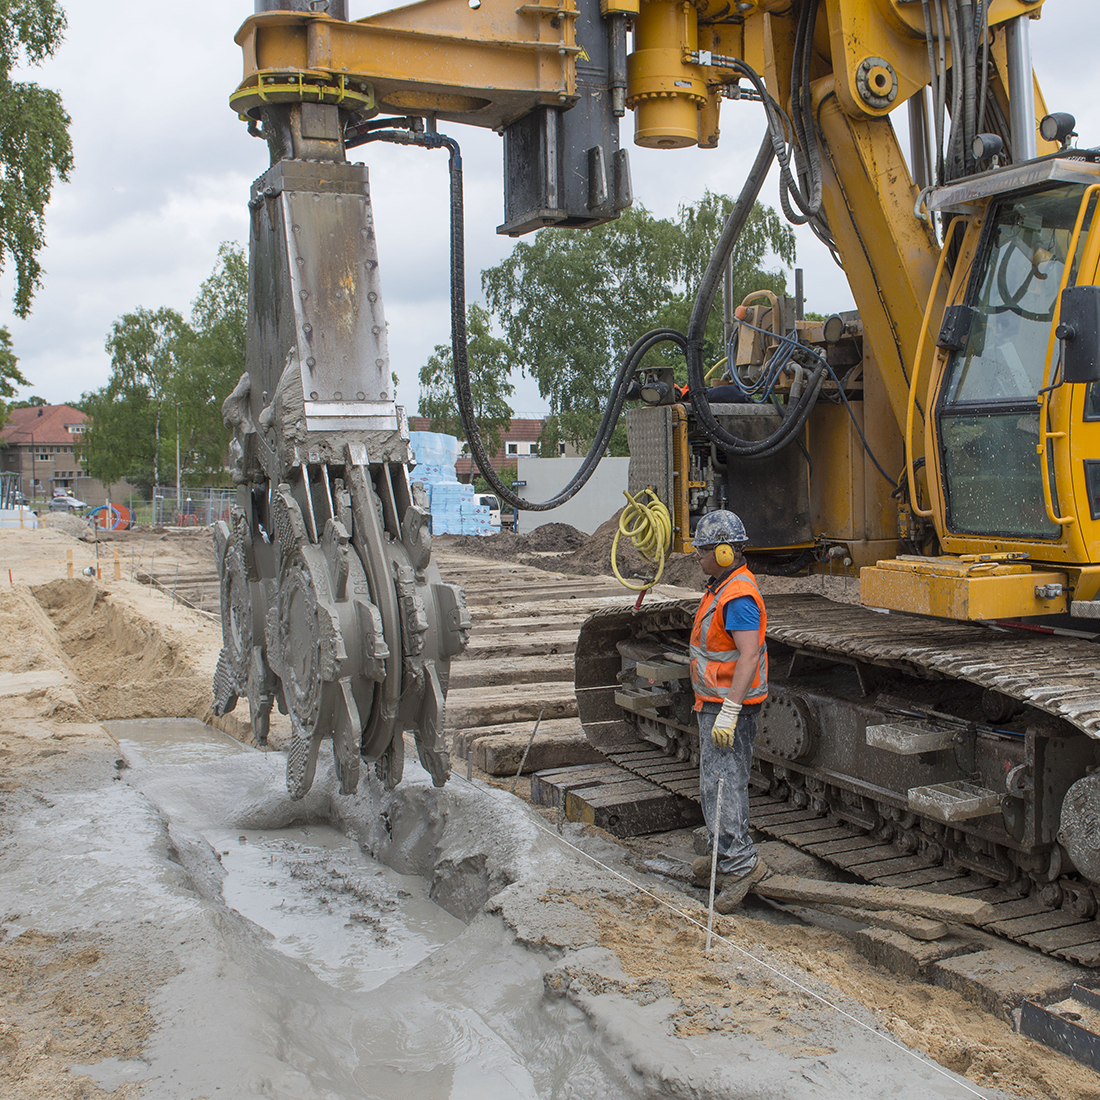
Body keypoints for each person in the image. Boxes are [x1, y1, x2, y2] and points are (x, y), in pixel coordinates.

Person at [689, 509, 771, 912]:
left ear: (724, 553)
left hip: (727, 708)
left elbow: (749, 654)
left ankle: (739, 866)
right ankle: (725, 856)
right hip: (715, 703)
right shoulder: (720, 586)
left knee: (723, 787)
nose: (697, 556)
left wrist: (731, 710)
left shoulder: (737, 595)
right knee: (714, 783)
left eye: (702, 550)